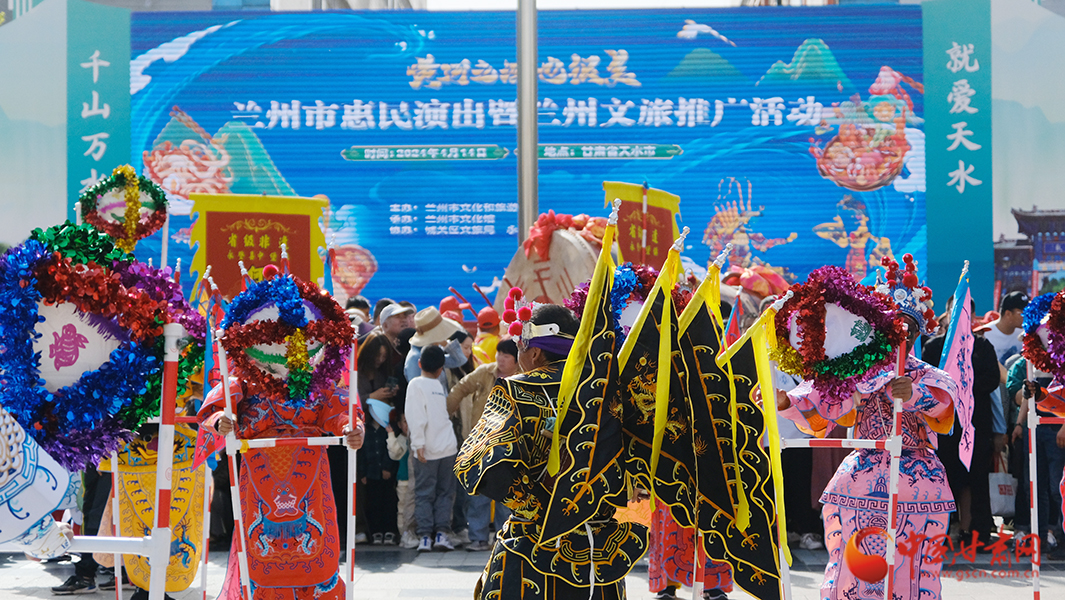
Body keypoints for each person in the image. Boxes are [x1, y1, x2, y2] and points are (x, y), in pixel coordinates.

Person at [779, 275, 959, 600]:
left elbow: (944, 405)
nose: (900, 333)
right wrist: (786, 402)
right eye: (894, 325)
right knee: (850, 563)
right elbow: (825, 400)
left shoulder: (930, 375)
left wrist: (913, 393)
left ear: (918, 332)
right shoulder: (858, 369)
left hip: (916, 477)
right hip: (861, 476)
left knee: (911, 569)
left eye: (907, 327)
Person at [455, 304, 645, 600]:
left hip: (533, 553)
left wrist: (540, 510)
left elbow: (475, 464)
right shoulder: (611, 391)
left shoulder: (516, 391)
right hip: (599, 557)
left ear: (535, 353)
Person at [923, 296, 1000, 547]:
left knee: (975, 478)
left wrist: (963, 384)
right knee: (943, 477)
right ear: (946, 314)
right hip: (943, 425)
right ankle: (940, 533)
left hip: (975, 424)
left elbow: (990, 381)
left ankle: (975, 533)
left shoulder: (983, 347)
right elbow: (927, 384)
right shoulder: (934, 347)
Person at [446, 338, 519, 551]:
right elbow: (461, 388)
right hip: (482, 441)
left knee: (507, 493)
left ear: (516, 360)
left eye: (506, 355)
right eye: (499, 354)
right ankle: (478, 537)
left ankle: (504, 537)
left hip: (510, 443)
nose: (500, 359)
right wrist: (447, 412)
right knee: (480, 491)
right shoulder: (486, 372)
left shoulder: (523, 375)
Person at [406, 345, 459, 552]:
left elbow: (416, 417)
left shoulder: (415, 384)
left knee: (424, 492)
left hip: (426, 449)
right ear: (441, 369)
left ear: (419, 364)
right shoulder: (438, 386)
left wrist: (418, 444)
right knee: (446, 492)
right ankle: (442, 534)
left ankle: (425, 536)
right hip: (448, 446)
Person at [358, 402, 399, 545]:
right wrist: (362, 472)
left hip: (386, 474)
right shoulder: (366, 430)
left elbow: (391, 451)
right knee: (373, 503)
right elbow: (362, 453)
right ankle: (376, 532)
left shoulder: (388, 429)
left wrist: (388, 468)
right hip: (371, 473)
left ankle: (389, 531)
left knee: (388, 502)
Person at [404, 307, 469, 390]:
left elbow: (460, 360)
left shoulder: (435, 350)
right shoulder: (415, 357)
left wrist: (445, 344)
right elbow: (417, 389)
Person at [386, 410, 417, 548]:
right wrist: (390, 435)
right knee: (402, 508)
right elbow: (395, 454)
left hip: (417, 481)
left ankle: (414, 533)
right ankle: (403, 533)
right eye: (405, 421)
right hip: (404, 480)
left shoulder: (418, 438)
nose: (408, 425)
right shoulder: (400, 439)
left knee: (416, 508)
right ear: (399, 424)